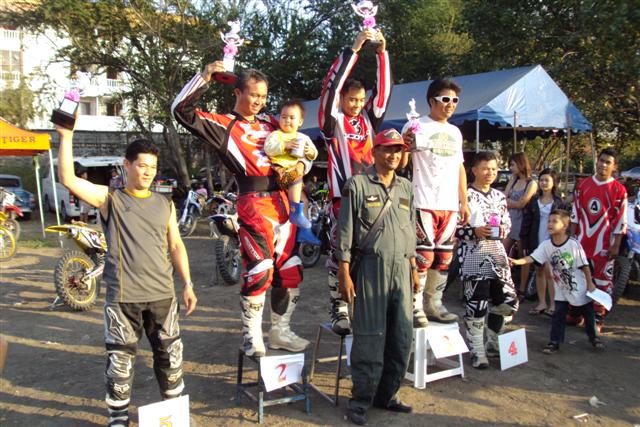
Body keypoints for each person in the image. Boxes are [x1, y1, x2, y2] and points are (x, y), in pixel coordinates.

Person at [55, 124, 198, 427]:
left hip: (162, 297)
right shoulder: (111, 199)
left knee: (170, 359)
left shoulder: (164, 203)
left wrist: (187, 283)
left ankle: (173, 415)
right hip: (123, 299)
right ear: (127, 165)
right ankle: (118, 418)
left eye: (152, 167)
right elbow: (67, 178)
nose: (147, 172)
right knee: (120, 365)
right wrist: (66, 136)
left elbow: (176, 245)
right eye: (142, 165)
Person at [172, 63, 308, 356]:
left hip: (285, 202)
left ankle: (281, 332)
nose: (259, 101)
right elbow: (180, 111)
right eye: (254, 95)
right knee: (259, 270)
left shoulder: (272, 122)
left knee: (290, 269)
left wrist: (302, 163)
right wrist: (205, 77)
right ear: (237, 92)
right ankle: (251, 337)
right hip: (254, 203)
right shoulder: (223, 124)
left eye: (264, 96)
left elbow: (301, 143)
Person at [336, 129, 418, 425]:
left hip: (402, 270)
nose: (393, 155)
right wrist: (344, 273)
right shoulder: (357, 184)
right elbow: (345, 231)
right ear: (375, 152)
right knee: (370, 335)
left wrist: (413, 267)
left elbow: (410, 228)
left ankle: (387, 394)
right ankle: (360, 400)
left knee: (401, 334)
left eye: (398, 150)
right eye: (387, 149)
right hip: (371, 269)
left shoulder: (406, 186)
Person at [318, 28, 392, 335]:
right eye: (352, 99)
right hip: (343, 199)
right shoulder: (331, 121)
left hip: (371, 199)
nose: (357, 104)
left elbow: (383, 94)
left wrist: (382, 54)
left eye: (361, 100)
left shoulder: (369, 120)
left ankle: (366, 307)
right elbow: (331, 88)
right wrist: (355, 49)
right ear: (342, 99)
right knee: (341, 254)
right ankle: (339, 309)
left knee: (371, 254)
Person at [401, 78, 470, 327]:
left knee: (444, 257)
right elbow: (402, 163)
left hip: (449, 205)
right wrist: (405, 144)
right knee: (423, 256)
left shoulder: (455, 132)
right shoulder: (417, 125)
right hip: (424, 200)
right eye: (445, 99)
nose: (450, 104)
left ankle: (435, 303)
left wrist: (464, 201)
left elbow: (460, 167)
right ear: (432, 101)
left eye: (455, 100)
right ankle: (415, 304)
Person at [455, 151, 518, 369]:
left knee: (507, 302)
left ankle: (493, 341)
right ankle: (477, 350)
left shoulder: (499, 196)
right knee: (477, 304)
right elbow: (453, 228)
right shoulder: (464, 195)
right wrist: (474, 231)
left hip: (497, 255)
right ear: (474, 170)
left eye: (493, 169)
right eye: (485, 168)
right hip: (473, 255)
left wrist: (500, 230)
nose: (490, 173)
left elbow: (507, 224)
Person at [510, 209, 605, 353]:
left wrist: (590, 283)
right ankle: (554, 342)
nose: (550, 224)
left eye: (555, 221)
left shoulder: (573, 244)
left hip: (579, 286)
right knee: (558, 314)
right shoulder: (546, 245)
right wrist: (517, 261)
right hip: (561, 287)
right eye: (549, 221)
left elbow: (584, 265)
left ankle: (594, 338)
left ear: (565, 226)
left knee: (588, 313)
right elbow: (532, 257)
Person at [569, 148, 627, 330]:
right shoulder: (583, 185)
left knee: (602, 280)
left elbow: (621, 220)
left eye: (608, 162)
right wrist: (571, 238)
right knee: (577, 276)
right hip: (581, 242)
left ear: (614, 166)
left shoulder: (619, 190)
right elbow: (575, 213)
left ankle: (597, 317)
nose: (603, 165)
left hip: (604, 244)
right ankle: (575, 313)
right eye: (601, 160)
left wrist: (616, 244)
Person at [264, 99, 320, 244]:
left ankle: (304, 230)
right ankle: (295, 213)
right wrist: (285, 145)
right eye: (283, 117)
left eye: (292, 117)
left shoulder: (303, 137)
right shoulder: (276, 135)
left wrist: (310, 152)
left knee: (305, 199)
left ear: (300, 122)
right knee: (296, 178)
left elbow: (314, 153)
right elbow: (268, 148)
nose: (287, 120)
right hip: (280, 170)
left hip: (295, 172)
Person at [520, 168, 567, 315]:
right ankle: (542, 303)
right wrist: (525, 243)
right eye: (541, 180)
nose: (544, 183)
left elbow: (565, 224)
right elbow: (526, 223)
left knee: (551, 273)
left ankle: (553, 304)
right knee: (539, 271)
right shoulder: (534, 201)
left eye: (547, 180)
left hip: (553, 242)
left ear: (554, 182)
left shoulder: (559, 202)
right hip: (536, 240)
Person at [503, 152, 538, 298]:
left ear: (520, 164)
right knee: (502, 252)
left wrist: (510, 203)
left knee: (523, 257)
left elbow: (522, 203)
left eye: (513, 164)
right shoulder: (513, 180)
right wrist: (513, 203)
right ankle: (504, 284)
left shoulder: (532, 183)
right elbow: (503, 198)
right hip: (509, 221)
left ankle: (522, 289)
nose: (511, 168)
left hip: (523, 223)